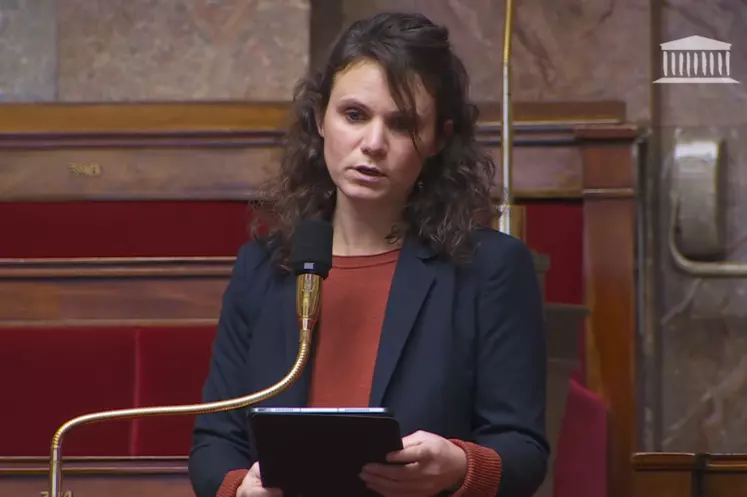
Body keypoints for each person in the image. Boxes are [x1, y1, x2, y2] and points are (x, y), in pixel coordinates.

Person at [189, 11, 548, 497]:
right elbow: (214, 445)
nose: (373, 144)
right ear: (320, 119)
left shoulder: (490, 268)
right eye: (354, 115)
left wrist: (460, 466)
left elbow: (523, 450)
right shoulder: (263, 267)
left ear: (439, 138)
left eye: (402, 124)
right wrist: (239, 489)